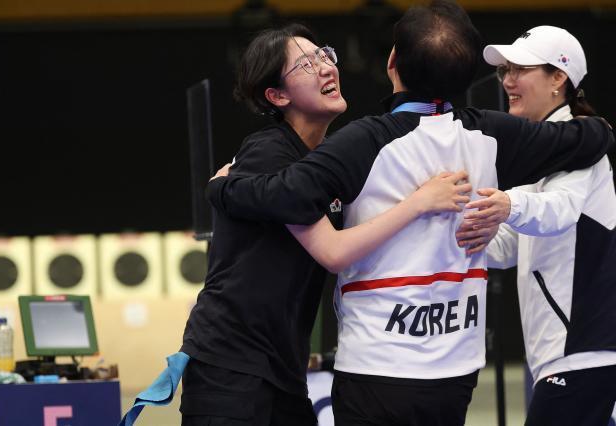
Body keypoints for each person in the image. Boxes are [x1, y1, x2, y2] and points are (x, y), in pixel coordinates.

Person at [205, 2, 614, 425]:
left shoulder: (363, 141)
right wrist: (598, 128)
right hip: (456, 368)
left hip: (375, 367)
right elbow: (589, 137)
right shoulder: (490, 135)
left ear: (392, 62)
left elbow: (286, 196)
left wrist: (222, 187)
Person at [179, 23, 474, 426]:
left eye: (324, 55)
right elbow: (333, 251)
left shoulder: (328, 163)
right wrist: (419, 203)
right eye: (305, 63)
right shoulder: (270, 152)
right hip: (231, 367)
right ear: (277, 95)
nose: (325, 68)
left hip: (282, 368)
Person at [457, 25, 616, 426]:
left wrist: (506, 203)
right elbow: (508, 245)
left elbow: (557, 210)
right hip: (566, 354)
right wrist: (456, 231)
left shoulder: (582, 145)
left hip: (586, 352)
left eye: (519, 69)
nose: (507, 81)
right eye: (504, 71)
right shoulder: (548, 148)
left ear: (559, 78)